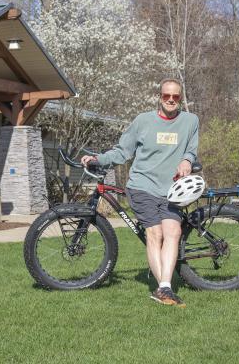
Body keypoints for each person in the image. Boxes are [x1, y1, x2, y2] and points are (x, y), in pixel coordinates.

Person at [81, 78, 199, 307]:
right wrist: (98, 159)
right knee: (155, 234)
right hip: (142, 186)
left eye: (176, 96)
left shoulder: (190, 121)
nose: (171, 100)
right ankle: (165, 288)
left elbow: (192, 149)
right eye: (167, 96)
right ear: (160, 97)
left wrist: (186, 160)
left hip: (172, 190)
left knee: (173, 232)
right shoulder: (143, 121)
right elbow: (123, 151)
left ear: (180, 98)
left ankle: (164, 285)